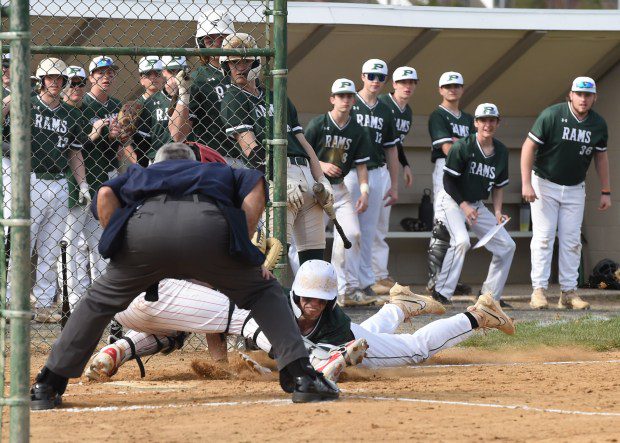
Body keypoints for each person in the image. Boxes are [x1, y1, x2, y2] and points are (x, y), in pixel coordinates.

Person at [30, 143, 339, 410]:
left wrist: (119, 243)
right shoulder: (216, 172)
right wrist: (241, 245)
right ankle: (300, 376)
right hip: (209, 229)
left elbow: (106, 194)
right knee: (264, 292)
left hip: (144, 232)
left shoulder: (141, 172)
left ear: (159, 163)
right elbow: (256, 182)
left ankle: (49, 384)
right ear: (193, 164)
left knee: (97, 301)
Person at [85, 260, 514, 381]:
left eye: (318, 301)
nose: (310, 305)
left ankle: (478, 315)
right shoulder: (282, 309)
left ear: (328, 301)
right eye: (305, 298)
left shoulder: (334, 320)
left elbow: (322, 362)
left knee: (415, 351)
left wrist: (343, 358)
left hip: (345, 343)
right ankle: (399, 305)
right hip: (341, 342)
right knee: (377, 329)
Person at [220, 33, 333, 266]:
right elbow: (249, 145)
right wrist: (276, 180)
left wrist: (321, 178)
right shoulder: (233, 97)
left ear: (256, 63)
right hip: (278, 174)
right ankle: (272, 301)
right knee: (275, 258)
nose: (239, 68)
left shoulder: (277, 97)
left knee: (315, 262)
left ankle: (311, 301)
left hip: (307, 176)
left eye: (244, 61)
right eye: (233, 63)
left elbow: (303, 141)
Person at [3, 58, 89, 322]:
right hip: (30, 180)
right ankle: (11, 300)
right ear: (41, 80)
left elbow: (75, 152)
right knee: (23, 244)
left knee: (50, 248)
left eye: (59, 79)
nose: (55, 82)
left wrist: (82, 183)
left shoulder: (71, 113)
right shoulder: (26, 103)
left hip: (60, 181)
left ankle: (42, 303)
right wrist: (11, 99)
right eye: (50, 78)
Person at [522, 77, 610, 310]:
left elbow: (601, 156)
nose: (583, 98)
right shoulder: (552, 115)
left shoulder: (598, 124)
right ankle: (538, 291)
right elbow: (528, 147)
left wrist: (606, 190)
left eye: (587, 95)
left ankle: (568, 293)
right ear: (570, 95)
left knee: (572, 241)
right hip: (544, 182)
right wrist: (526, 183)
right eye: (579, 94)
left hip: (574, 186)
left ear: (594, 98)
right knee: (544, 237)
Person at [433, 104, 515, 306]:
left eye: (492, 120)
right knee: (461, 241)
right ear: (476, 123)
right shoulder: (463, 146)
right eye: (483, 120)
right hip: (452, 200)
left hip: (476, 204)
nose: (487, 124)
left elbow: (498, 186)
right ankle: (441, 292)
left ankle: (490, 296)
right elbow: (448, 182)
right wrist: (464, 206)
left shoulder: (501, 151)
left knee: (507, 246)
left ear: (497, 122)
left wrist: (497, 211)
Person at [303, 78, 372, 306]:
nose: (345, 99)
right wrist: (321, 165)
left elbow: (361, 165)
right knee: (311, 241)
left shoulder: (357, 130)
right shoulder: (318, 123)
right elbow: (301, 156)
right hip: (317, 187)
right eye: (341, 96)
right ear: (332, 99)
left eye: (349, 96)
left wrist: (364, 191)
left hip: (341, 189)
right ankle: (306, 288)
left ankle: (345, 290)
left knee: (351, 235)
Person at [342, 59, 400, 301]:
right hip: (350, 172)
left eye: (380, 77)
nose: (376, 81)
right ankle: (347, 283)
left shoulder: (386, 109)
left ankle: (365, 282)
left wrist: (394, 184)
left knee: (367, 232)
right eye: (371, 76)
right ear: (362, 76)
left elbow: (392, 149)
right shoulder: (349, 101)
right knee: (348, 231)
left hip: (376, 171)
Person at [61, 65, 114, 310]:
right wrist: (93, 135)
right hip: (70, 185)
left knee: (99, 242)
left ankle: (99, 296)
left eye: (80, 83)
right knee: (70, 242)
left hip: (94, 181)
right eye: (71, 83)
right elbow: (72, 149)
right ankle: (73, 300)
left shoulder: (86, 111)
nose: (77, 88)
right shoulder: (62, 113)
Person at [426, 71, 475, 298]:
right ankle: (434, 279)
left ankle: (450, 279)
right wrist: (461, 145)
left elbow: (475, 150)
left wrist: (459, 143)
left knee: (459, 228)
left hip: (465, 172)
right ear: (440, 90)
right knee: (442, 225)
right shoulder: (438, 115)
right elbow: (447, 148)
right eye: (447, 86)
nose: (452, 89)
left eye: (456, 85)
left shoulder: (468, 118)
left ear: (462, 89)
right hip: (445, 168)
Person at [373, 66, 417, 296]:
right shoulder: (383, 103)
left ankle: (380, 273)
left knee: (381, 223)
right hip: (368, 166)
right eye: (403, 82)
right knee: (367, 226)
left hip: (385, 167)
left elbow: (395, 143)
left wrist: (405, 165)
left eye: (411, 82)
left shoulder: (406, 111)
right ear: (394, 84)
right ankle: (370, 275)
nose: (407, 86)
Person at [132, 56, 172, 166]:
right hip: (148, 160)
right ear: (141, 79)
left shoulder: (173, 99)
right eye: (148, 74)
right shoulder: (134, 107)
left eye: (157, 74)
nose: (153, 78)